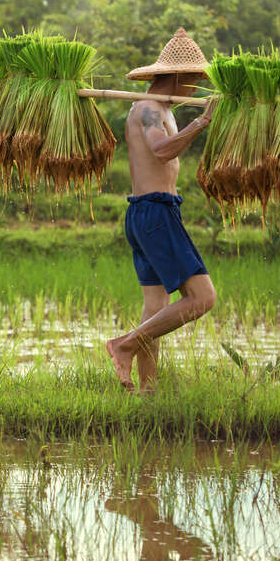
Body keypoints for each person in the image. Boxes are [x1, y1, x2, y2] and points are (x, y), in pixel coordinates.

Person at [105, 29, 217, 394]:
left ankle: (149, 392)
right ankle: (124, 344)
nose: (194, 90)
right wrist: (201, 123)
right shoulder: (150, 109)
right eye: (194, 81)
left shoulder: (159, 109)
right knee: (202, 298)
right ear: (178, 77)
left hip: (146, 213)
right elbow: (162, 151)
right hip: (155, 213)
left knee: (155, 307)